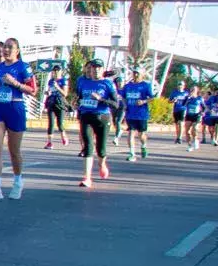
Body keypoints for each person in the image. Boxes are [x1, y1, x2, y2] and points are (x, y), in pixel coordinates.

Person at [0, 37, 35, 200]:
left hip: (15, 107)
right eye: (4, 47)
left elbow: (33, 90)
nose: (6, 50)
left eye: (10, 47)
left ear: (17, 51)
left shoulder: (23, 67)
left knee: (14, 151)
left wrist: (15, 83)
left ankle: (18, 181)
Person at [75, 58, 121, 187]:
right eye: (93, 68)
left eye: (98, 68)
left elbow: (115, 104)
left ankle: (102, 164)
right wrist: (77, 103)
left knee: (100, 148)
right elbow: (79, 97)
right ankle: (87, 177)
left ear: (102, 70)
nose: (95, 70)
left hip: (102, 117)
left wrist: (100, 99)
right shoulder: (83, 82)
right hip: (86, 116)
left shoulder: (107, 84)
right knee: (88, 146)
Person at [121, 67, 153, 161]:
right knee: (131, 133)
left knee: (141, 134)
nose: (135, 75)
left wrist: (143, 101)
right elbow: (123, 97)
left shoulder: (145, 85)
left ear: (142, 74)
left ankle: (143, 146)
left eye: (137, 73)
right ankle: (132, 154)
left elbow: (151, 97)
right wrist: (125, 105)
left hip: (141, 114)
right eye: (134, 73)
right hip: (130, 113)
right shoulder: (127, 86)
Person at [43, 65, 70, 149]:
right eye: (54, 71)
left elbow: (65, 94)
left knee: (60, 124)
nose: (56, 73)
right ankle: (50, 142)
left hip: (60, 103)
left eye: (57, 71)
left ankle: (63, 135)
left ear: (61, 72)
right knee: (51, 123)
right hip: (51, 102)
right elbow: (50, 91)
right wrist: (48, 93)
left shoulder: (63, 81)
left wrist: (58, 87)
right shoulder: (51, 81)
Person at [183, 85, 205, 152]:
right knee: (187, 131)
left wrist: (202, 113)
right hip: (189, 115)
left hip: (196, 115)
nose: (192, 90)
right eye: (191, 89)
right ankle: (190, 146)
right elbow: (183, 104)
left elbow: (204, 107)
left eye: (194, 89)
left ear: (197, 90)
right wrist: (188, 98)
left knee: (194, 129)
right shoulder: (188, 98)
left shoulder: (199, 98)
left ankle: (195, 140)